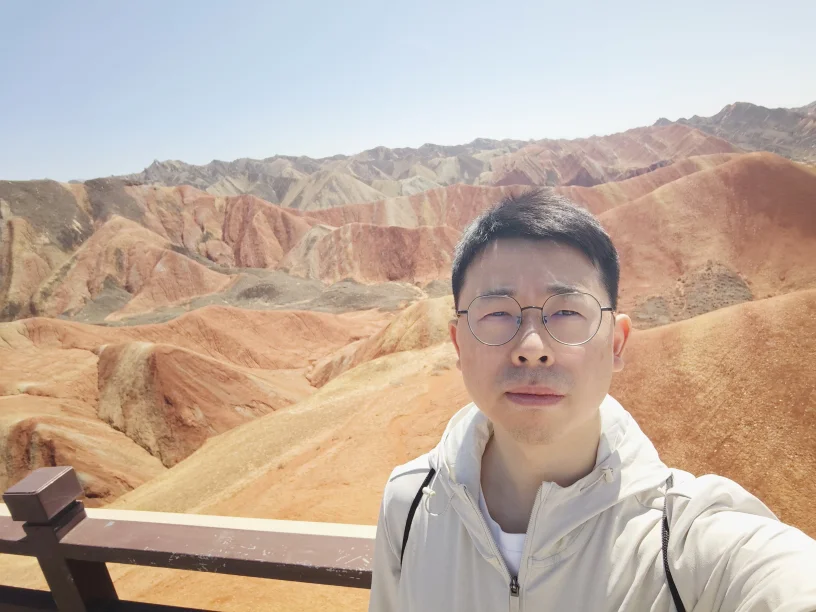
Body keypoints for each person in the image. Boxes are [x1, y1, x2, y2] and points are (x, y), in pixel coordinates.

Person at [368, 189, 816, 611]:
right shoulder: (409, 505)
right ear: (458, 344)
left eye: (566, 312)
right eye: (498, 312)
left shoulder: (684, 546)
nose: (531, 347)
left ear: (616, 343)